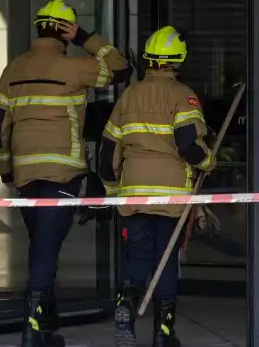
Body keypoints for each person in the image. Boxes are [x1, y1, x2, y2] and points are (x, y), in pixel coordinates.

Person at [0, 0, 132, 347]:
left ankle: (45, 324)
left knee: (42, 243)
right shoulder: (76, 68)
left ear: (39, 28)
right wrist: (87, 37)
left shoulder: (14, 69)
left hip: (25, 173)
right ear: (64, 33)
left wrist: (5, 170)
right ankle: (32, 332)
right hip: (62, 173)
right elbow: (122, 68)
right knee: (45, 249)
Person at [98, 25, 215, 347]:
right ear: (178, 61)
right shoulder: (183, 95)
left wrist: (112, 191)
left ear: (149, 59)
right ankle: (164, 333)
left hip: (133, 193)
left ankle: (125, 306)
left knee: (138, 256)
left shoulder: (129, 95)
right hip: (171, 195)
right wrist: (208, 162)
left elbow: (107, 151)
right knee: (166, 260)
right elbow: (188, 145)